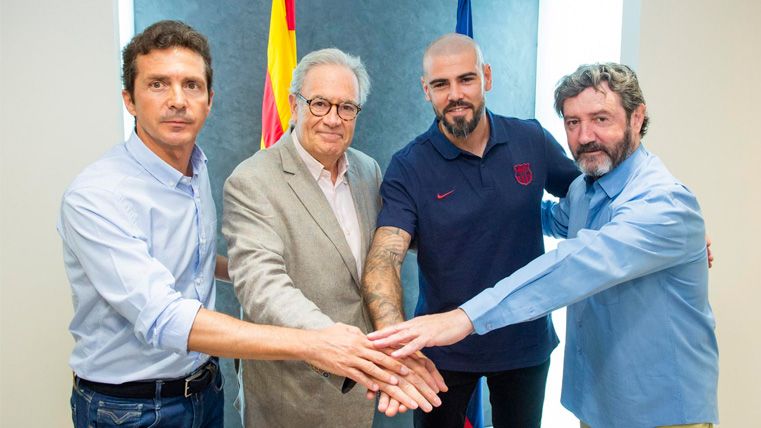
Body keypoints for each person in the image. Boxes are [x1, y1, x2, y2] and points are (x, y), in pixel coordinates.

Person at [58, 21, 429, 428]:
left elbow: (194, 260)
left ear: (209, 99)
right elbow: (168, 314)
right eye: (158, 84)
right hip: (132, 407)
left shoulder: (194, 168)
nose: (178, 101)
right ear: (129, 99)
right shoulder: (98, 195)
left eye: (192, 86)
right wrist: (320, 340)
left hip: (206, 388)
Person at [369, 63, 719, 428]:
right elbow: (545, 216)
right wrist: (451, 211)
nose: (585, 136)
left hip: (660, 409)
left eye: (601, 118)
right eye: (572, 123)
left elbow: (571, 268)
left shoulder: (665, 206)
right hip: (600, 403)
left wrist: (463, 317)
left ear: (637, 117)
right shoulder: (587, 188)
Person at [361, 33, 580, 427]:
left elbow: (592, 196)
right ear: (425, 90)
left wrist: (651, 222)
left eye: (467, 79)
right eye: (441, 84)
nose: (455, 94)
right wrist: (399, 343)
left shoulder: (530, 139)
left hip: (523, 343)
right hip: (442, 352)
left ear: (487, 78)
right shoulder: (408, 167)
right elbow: (383, 259)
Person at [222, 47, 445, 428]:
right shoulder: (252, 181)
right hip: (292, 393)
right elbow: (263, 288)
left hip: (363, 387)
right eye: (320, 103)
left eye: (346, 107)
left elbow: (381, 254)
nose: (333, 119)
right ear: (294, 105)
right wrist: (335, 342)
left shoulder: (367, 169)